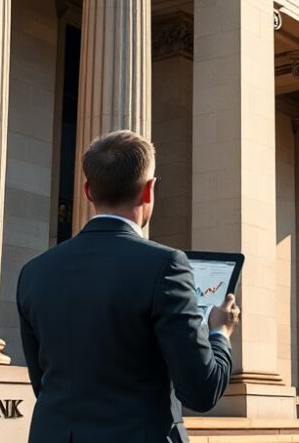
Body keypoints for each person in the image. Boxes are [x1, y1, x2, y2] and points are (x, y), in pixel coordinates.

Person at [17, 130, 240, 442]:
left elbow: (43, 382)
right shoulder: (167, 265)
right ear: (149, 190)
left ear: (87, 190)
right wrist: (219, 333)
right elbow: (202, 391)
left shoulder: (34, 271)